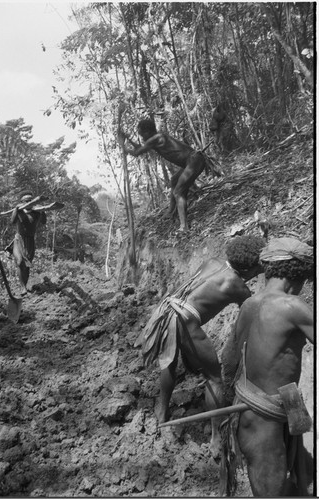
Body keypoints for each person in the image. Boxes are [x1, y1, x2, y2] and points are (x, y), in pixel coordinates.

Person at [137, 234, 265, 459]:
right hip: (186, 320)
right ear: (249, 268)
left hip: (167, 309)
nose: (257, 274)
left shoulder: (212, 262)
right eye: (257, 270)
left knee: (169, 361)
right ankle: (217, 437)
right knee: (214, 378)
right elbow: (252, 310)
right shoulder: (237, 286)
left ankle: (161, 411)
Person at [221, 237, 313, 496]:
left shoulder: (249, 304)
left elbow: (230, 359)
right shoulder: (293, 306)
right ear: (298, 274)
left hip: (253, 409)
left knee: (289, 480)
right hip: (264, 419)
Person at [120, 119, 221, 232]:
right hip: (193, 160)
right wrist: (127, 138)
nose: (142, 137)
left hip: (194, 160)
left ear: (148, 132)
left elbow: (137, 152)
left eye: (142, 134)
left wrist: (123, 148)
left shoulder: (155, 139)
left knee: (178, 191)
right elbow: (141, 147)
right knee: (174, 180)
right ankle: (171, 212)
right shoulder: (156, 137)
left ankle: (184, 227)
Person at [6, 191, 46, 294]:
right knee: (19, 262)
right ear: (22, 202)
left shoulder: (36, 212)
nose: (29, 202)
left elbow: (44, 222)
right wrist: (16, 209)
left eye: (30, 200)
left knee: (27, 264)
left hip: (30, 241)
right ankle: (22, 287)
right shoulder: (20, 211)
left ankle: (25, 284)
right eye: (26, 201)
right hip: (19, 239)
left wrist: (43, 210)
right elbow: (12, 222)